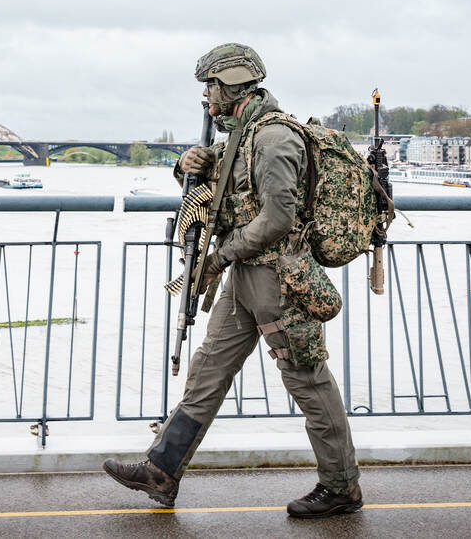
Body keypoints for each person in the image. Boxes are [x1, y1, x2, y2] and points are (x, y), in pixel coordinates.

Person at [103, 43, 362, 519]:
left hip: (280, 280)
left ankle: (341, 486)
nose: (207, 96)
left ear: (231, 84)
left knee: (306, 378)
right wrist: (185, 164)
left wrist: (221, 254)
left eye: (211, 86)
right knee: (208, 370)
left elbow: (279, 216)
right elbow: (215, 184)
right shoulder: (242, 136)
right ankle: (162, 470)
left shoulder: (274, 138)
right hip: (246, 275)